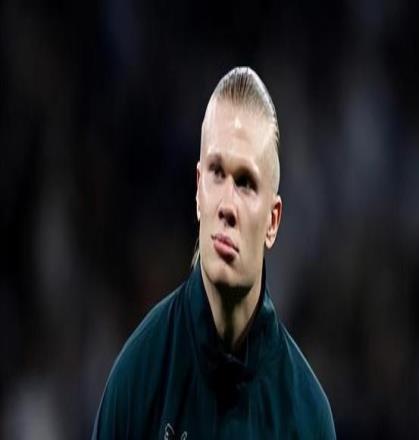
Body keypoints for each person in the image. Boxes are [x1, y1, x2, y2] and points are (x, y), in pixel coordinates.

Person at [92, 67, 337, 439]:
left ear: (272, 221)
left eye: (246, 182)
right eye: (217, 173)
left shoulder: (307, 417)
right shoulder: (139, 376)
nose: (227, 206)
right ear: (197, 190)